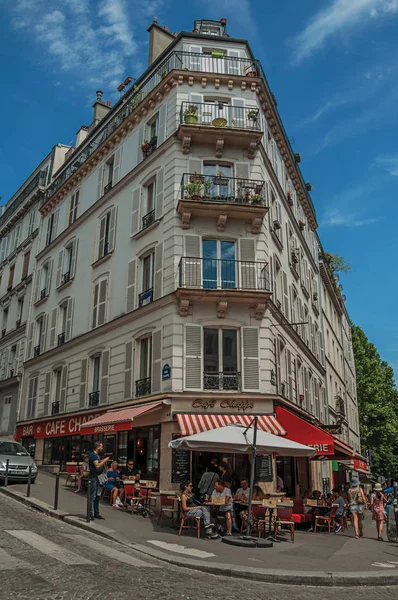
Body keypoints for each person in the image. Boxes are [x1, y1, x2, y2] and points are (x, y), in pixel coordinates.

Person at [89, 441, 110, 521]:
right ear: (97, 447)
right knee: (93, 496)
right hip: (94, 477)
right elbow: (97, 466)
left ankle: (96, 513)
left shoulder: (97, 456)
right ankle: (90, 514)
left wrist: (103, 461)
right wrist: (104, 460)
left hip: (98, 477)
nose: (102, 448)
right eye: (101, 447)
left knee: (97, 496)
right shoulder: (93, 455)